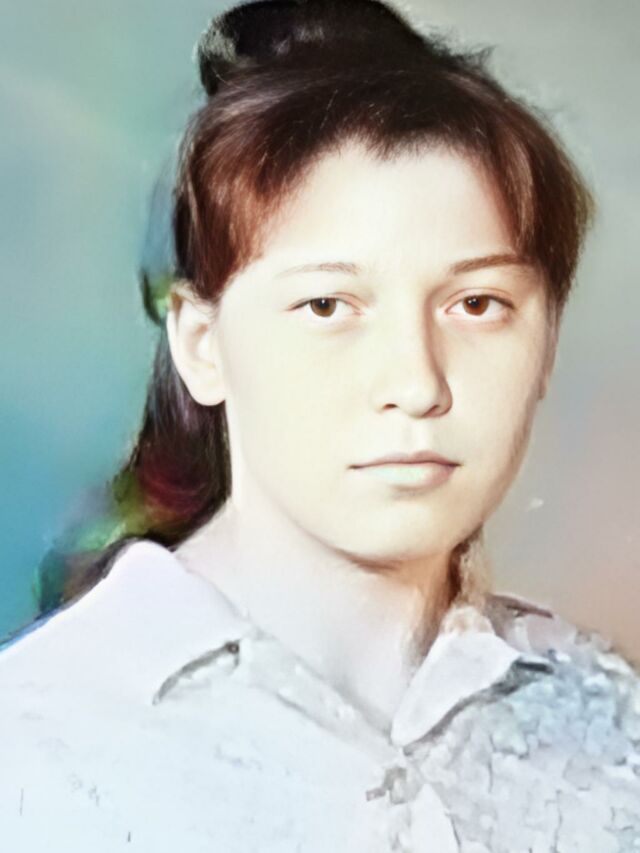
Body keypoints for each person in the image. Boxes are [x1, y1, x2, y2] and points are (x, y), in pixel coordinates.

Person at [1, 0, 638, 850]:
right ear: (201, 345)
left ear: (547, 340)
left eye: (478, 304)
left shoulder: (610, 726)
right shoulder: (36, 748)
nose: (417, 383)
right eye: (328, 305)